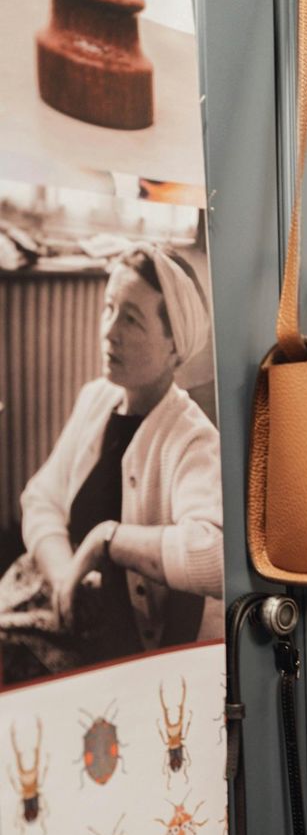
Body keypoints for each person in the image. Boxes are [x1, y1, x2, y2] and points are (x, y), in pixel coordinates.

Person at [2, 244, 223, 679]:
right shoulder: (96, 399)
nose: (109, 331)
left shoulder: (192, 439)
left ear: (175, 346)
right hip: (51, 593)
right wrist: (66, 575)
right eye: (109, 309)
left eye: (131, 319)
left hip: (119, 644)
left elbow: (216, 556)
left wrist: (110, 540)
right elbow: (41, 500)